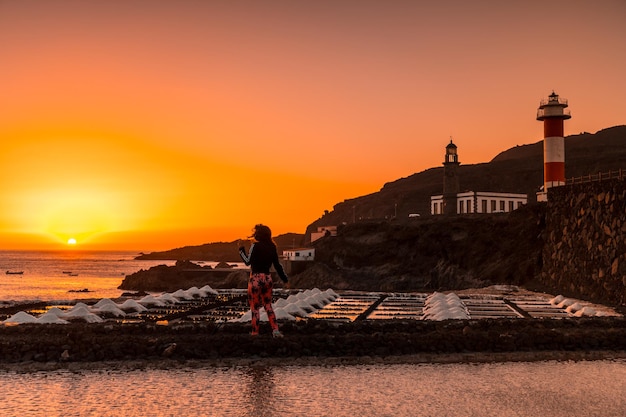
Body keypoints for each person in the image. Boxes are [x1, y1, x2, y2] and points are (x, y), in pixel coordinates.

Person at [238, 224, 289, 337]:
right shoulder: (272, 247)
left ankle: (255, 332)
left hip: (255, 278)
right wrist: (285, 279)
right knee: (268, 306)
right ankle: (275, 330)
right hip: (267, 278)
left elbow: (247, 262)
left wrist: (241, 250)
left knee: (255, 307)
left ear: (258, 234)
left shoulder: (255, 246)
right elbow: (277, 265)